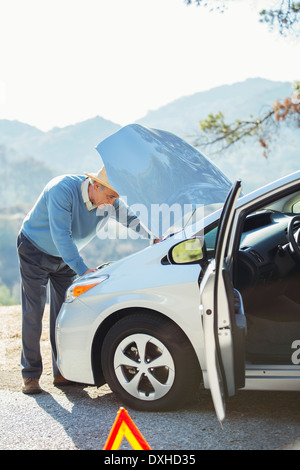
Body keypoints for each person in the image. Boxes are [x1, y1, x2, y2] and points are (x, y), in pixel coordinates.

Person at [17, 167, 154, 394]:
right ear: (95, 185)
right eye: (110, 196)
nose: (112, 203)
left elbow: (130, 219)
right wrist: (82, 269)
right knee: (34, 311)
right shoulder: (62, 190)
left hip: (65, 258)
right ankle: (30, 374)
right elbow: (62, 235)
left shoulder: (110, 201)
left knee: (63, 315)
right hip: (35, 250)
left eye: (116, 198)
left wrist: (154, 236)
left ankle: (62, 372)